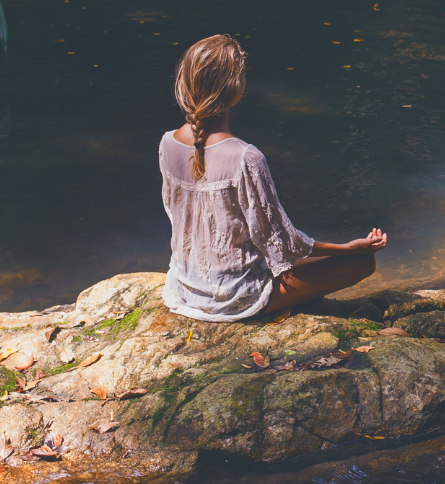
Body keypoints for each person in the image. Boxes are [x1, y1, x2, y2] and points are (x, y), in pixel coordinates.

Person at [159, 34, 386, 321]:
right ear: (236, 90)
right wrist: (346, 248)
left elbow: (177, 215)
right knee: (362, 263)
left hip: (184, 287)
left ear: (185, 83)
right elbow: (282, 241)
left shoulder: (167, 143)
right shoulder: (245, 157)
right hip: (234, 297)